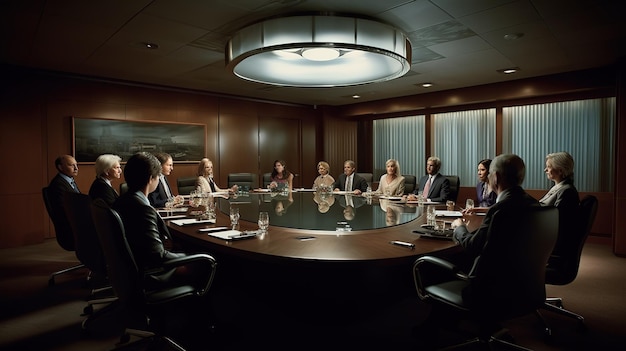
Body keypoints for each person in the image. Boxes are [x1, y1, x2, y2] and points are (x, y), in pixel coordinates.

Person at [112, 152, 197, 285]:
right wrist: (188, 257)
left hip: (128, 272)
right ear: (151, 178)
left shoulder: (120, 201)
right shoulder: (144, 209)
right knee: (204, 261)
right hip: (152, 273)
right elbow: (159, 256)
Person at [451, 154, 538, 259]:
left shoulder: (498, 211)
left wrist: (460, 227)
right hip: (523, 272)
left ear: (495, 177)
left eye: (489, 174)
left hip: (489, 274)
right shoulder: (534, 204)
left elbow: (472, 246)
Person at [538, 152, 580, 257]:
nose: (545, 170)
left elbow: (556, 220)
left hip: (551, 241)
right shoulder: (559, 188)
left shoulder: (567, 191)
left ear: (560, 170)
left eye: (548, 167)